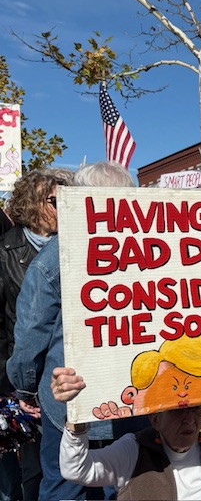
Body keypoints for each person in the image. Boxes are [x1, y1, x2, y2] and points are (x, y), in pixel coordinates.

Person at [6, 162, 148, 501]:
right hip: (134, 399)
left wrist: (25, 388)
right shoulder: (154, 252)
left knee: (63, 489)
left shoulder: (52, 259)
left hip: (71, 402)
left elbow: (31, 336)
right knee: (130, 485)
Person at [50, 369, 201, 501]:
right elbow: (76, 469)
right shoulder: (134, 450)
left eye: (196, 409)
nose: (189, 419)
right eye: (177, 410)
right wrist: (76, 410)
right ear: (155, 419)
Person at [0, 167, 74, 501]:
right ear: (33, 203)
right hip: (20, 381)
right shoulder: (6, 252)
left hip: (62, 382)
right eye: (56, 200)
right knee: (31, 469)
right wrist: (16, 385)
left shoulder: (79, 244)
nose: (66, 205)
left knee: (58, 468)